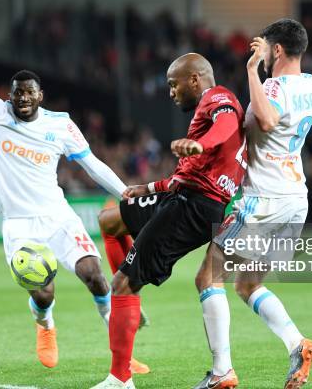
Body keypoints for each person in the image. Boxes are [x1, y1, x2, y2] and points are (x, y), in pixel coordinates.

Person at [0, 0, 149, 373]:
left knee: (95, 276)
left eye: (28, 93)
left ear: (40, 95)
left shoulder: (60, 125)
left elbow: (91, 163)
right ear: (8, 97)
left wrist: (125, 191)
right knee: (44, 291)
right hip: (19, 224)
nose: (21, 99)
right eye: (16, 94)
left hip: (58, 216)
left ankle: (120, 355)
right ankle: (45, 325)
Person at [193, 10, 312, 389]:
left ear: (276, 49)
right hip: (294, 201)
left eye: (265, 50)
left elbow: (268, 120)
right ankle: (296, 343)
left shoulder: (272, 87)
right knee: (247, 284)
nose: (262, 55)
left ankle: (222, 372)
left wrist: (252, 72)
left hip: (262, 199)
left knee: (208, 276)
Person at [91, 52, 247, 389]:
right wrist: (147, 187)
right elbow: (183, 176)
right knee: (109, 221)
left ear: (195, 79)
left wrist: (198, 144)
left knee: (121, 284)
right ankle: (130, 293)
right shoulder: (203, 109)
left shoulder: (218, 98)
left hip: (193, 207)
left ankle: (120, 379)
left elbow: (227, 125)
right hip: (183, 196)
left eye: (173, 84)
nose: (171, 92)